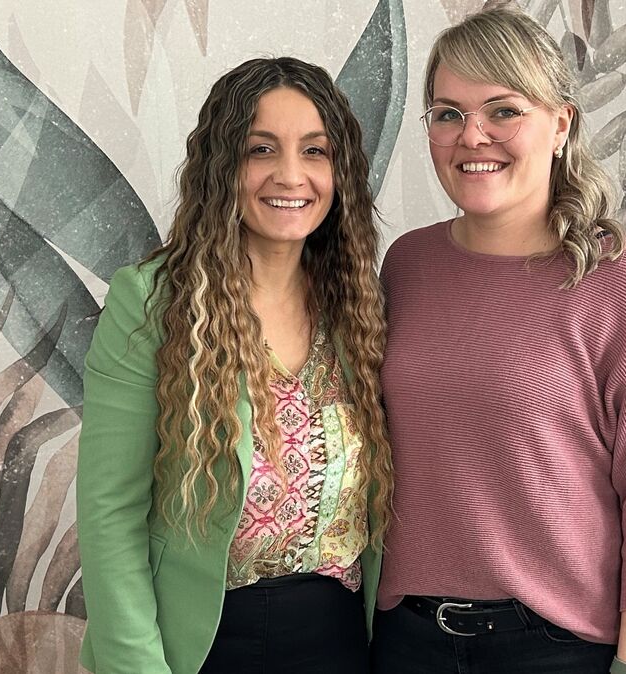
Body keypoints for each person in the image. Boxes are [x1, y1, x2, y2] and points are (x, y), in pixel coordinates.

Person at [371, 7, 626, 674]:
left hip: (555, 651)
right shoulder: (406, 266)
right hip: (406, 644)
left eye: (503, 111)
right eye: (447, 113)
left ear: (561, 124)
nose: (473, 135)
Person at [76, 57, 393, 674]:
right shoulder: (152, 301)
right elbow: (109, 511)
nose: (290, 175)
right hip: (201, 643)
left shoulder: (358, 304)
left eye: (316, 151)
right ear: (224, 167)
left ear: (340, 171)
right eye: (260, 149)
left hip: (339, 642)